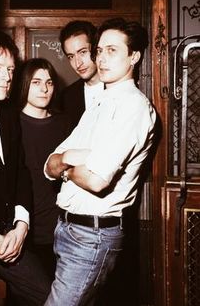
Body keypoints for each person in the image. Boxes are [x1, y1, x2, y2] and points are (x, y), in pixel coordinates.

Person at [44, 17, 157, 305]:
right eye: (100, 50)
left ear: (134, 56)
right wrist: (70, 159)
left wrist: (66, 170)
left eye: (113, 50)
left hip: (91, 237)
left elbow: (96, 180)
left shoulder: (133, 107)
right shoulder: (99, 104)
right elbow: (49, 165)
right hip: (69, 231)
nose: (102, 58)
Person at [0, 31, 50, 305]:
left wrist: (22, 224)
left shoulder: (8, 113)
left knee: (51, 296)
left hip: (10, 235)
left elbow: (21, 172)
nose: (7, 76)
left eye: (10, 69)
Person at [18, 57, 70, 282]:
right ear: (25, 84)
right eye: (36, 82)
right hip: (23, 229)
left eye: (49, 82)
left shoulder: (65, 124)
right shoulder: (11, 123)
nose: (44, 88)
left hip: (61, 229)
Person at [59, 20, 104, 131]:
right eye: (71, 56)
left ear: (95, 49)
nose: (78, 63)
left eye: (82, 52)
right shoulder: (66, 97)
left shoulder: (119, 90)